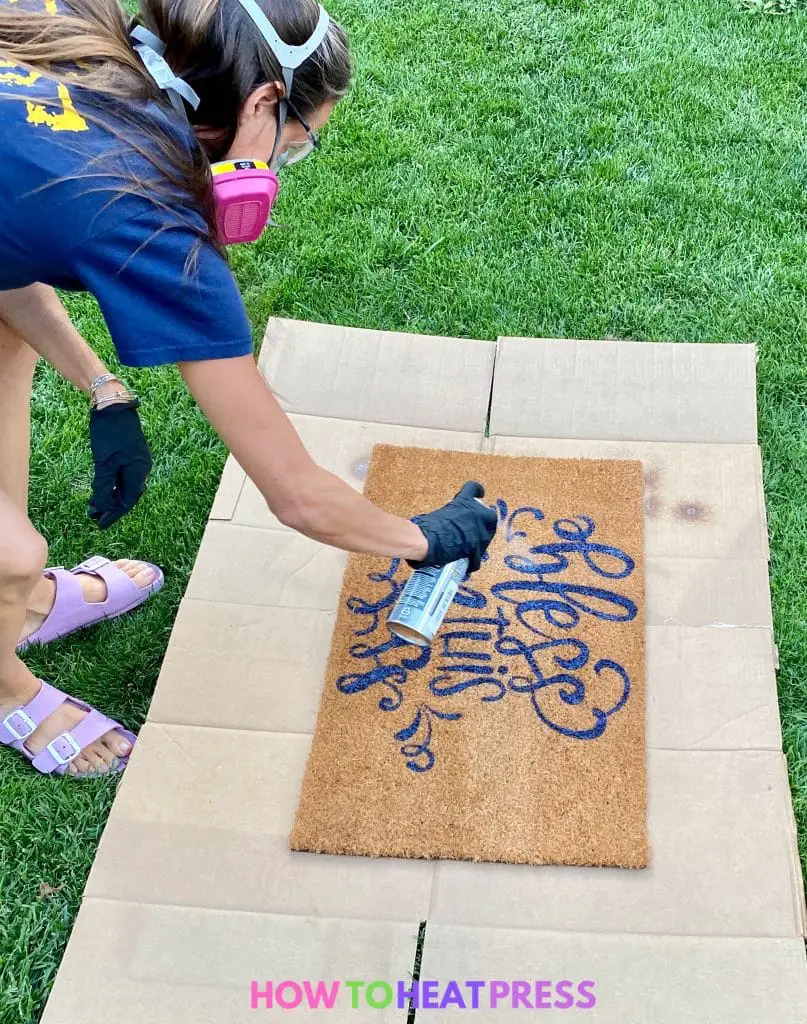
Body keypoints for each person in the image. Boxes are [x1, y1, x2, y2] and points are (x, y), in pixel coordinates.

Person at [0, 0, 498, 779]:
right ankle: (7, 688)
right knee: (9, 550)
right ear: (263, 102)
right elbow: (296, 495)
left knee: (6, 357)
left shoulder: (70, 24)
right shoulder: (147, 218)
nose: (277, 169)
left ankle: (19, 608)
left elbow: (11, 247)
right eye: (294, 149)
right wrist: (427, 540)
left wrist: (101, 385)